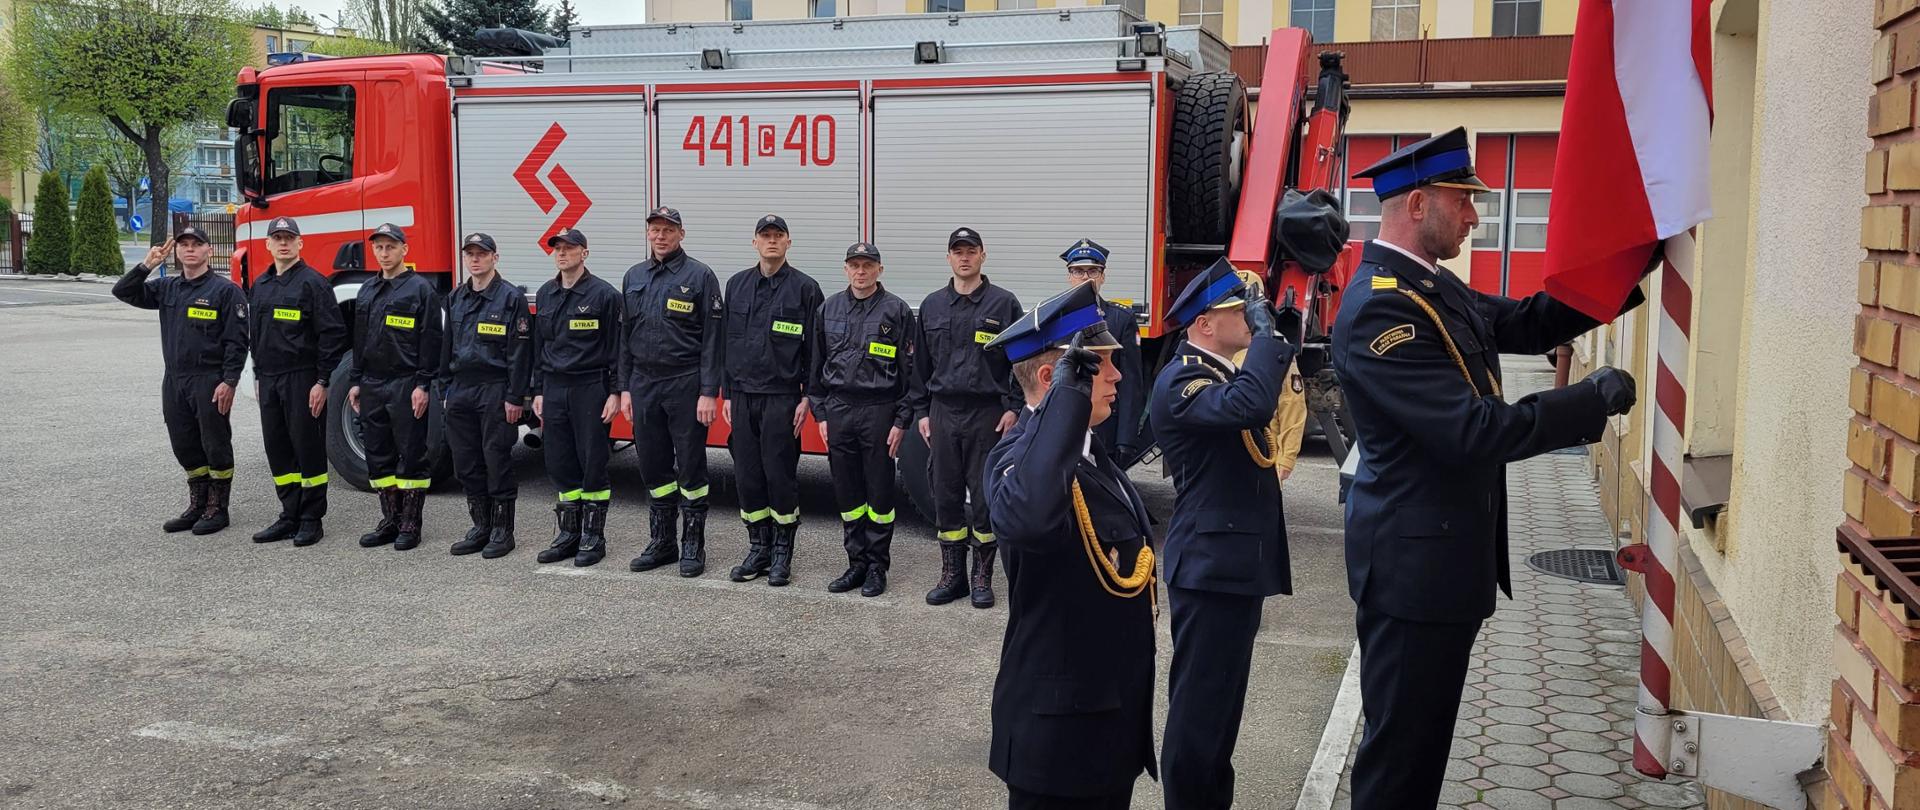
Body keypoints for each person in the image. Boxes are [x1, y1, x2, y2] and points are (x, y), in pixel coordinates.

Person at [1334, 127, 1639, 809]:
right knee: (1399, 763)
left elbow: (1529, 322)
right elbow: (1472, 431)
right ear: (1417, 205)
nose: (1475, 216)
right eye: (1462, 201)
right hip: (1412, 581)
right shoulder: (1383, 307)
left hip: (1438, 571)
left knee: (1421, 753)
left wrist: (1627, 265)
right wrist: (1583, 404)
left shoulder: (1431, 288)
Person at [982, 281, 1156, 809]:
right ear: (1053, 376)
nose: (1118, 376)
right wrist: (1064, 402)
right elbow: (1030, 518)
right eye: (1100, 365)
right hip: (1057, 741)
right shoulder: (1015, 459)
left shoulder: (1092, 454)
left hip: (1107, 725)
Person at [1149, 258, 1296, 810]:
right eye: (1241, 310)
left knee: (1222, 715)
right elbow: (1254, 404)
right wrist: (1268, 341)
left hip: (1233, 566)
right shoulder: (1183, 380)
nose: (1251, 318)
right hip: (1210, 569)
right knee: (1198, 717)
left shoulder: (1221, 373)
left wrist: (1275, 334)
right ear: (1205, 323)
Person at [909, 227, 1024, 608]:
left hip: (987, 414)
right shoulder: (931, 306)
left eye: (971, 251)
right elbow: (920, 365)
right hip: (943, 412)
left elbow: (1021, 361)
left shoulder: (1004, 304)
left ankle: (981, 579)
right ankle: (952, 576)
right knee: (946, 494)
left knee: (986, 497)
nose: (964, 257)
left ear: (982, 256)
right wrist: (923, 412)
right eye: (958, 251)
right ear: (948, 258)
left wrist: (1014, 407)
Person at [112, 227, 248, 535]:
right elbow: (123, 291)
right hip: (175, 380)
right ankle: (198, 503)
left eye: (196, 245)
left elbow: (237, 342)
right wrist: (146, 265)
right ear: (177, 252)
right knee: (184, 444)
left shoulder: (225, 292)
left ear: (209, 251)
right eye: (184, 245)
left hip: (209, 380)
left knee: (215, 444)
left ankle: (218, 508)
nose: (189, 250)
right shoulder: (167, 288)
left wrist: (230, 381)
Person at [619, 206, 726, 577]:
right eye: (655, 230)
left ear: (681, 234)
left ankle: (693, 546)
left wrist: (709, 391)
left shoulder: (699, 276)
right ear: (648, 234)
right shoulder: (634, 276)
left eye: (668, 230)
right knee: (652, 464)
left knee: (691, 467)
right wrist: (625, 387)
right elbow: (625, 338)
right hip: (644, 383)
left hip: (685, 382)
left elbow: (714, 339)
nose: (661, 236)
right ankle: (662, 542)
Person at [720, 214, 825, 587]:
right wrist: (726, 392)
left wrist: (808, 397)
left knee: (780, 476)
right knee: (747, 477)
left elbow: (816, 350)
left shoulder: (805, 289)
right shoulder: (736, 286)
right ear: (754, 243)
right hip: (743, 396)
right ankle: (757, 549)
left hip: (782, 398)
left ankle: (782, 554)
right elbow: (725, 343)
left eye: (778, 236)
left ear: (788, 243)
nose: (771, 241)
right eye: (765, 236)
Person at [810, 241, 915, 598]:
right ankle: (855, 563)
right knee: (848, 491)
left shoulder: (896, 311)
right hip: (839, 409)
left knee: (879, 492)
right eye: (854, 265)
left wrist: (901, 420)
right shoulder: (828, 308)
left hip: (879, 410)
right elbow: (816, 366)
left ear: (879, 270)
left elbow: (909, 373)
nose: (861, 271)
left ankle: (876, 567)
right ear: (845, 269)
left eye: (867, 265)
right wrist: (820, 413)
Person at [247, 216, 349, 547]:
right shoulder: (260, 286)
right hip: (270, 379)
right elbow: (256, 334)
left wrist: (322, 381)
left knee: (307, 449)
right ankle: (289, 513)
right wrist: (259, 374)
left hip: (302, 378)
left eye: (289, 237)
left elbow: (332, 335)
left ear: (300, 243)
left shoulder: (314, 284)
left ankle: (311, 518)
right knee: (278, 449)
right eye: (277, 237)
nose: (283, 242)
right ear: (268, 244)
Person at [347, 223, 443, 551]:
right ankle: (389, 519)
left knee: (412, 455)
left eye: (391, 247)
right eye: (379, 247)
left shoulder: (420, 290)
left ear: (405, 249)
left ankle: (410, 524)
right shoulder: (366, 291)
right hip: (372, 383)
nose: (384, 253)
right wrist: (356, 381)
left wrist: (423, 384)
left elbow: (431, 340)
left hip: (406, 384)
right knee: (377, 455)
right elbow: (359, 340)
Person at [531, 227, 621, 567]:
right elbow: (540, 347)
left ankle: (593, 538)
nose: (562, 252)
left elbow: (615, 348)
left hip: (589, 387)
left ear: (585, 253)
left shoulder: (604, 296)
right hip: (554, 388)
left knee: (592, 461)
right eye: (558, 248)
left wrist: (614, 392)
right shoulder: (546, 294)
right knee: (559, 461)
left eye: (570, 247)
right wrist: (538, 389)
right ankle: (568, 534)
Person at [442, 232, 532, 559]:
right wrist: (444, 390)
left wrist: (515, 397)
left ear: (495, 257)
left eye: (482, 253)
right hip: (462, 389)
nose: (475, 259)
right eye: (470, 254)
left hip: (495, 389)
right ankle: (480, 526)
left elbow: (520, 353)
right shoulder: (455, 298)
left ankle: (502, 531)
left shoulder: (510, 298)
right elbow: (446, 346)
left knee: (496, 458)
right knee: (466, 461)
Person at [1060, 239, 1146, 464]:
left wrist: (1125, 440)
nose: (1085, 277)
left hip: (1105, 429)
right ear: (1069, 276)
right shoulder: (1054, 319)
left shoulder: (1120, 319)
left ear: (1103, 276)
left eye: (1093, 271)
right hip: (1062, 424)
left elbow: (1131, 383)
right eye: (1078, 271)